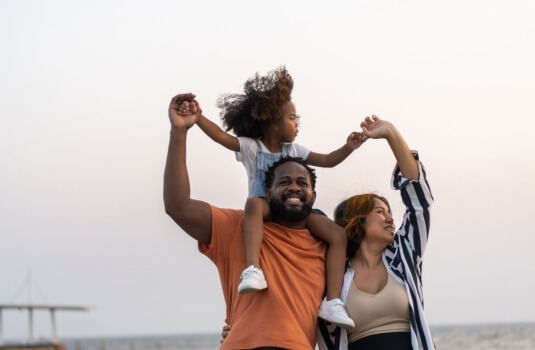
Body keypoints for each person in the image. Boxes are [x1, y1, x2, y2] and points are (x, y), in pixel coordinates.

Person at [178, 66, 366, 329]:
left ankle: (332, 301)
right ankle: (253, 269)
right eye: (292, 117)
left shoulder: (296, 150)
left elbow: (327, 161)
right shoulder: (252, 148)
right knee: (253, 204)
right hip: (266, 207)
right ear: (272, 122)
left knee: (337, 235)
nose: (297, 123)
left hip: (295, 211)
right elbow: (222, 137)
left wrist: (349, 147)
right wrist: (198, 118)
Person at [164, 93, 331, 349]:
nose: (294, 188)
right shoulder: (237, 227)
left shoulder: (325, 242)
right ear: (267, 192)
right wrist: (179, 132)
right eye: (283, 182)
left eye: (302, 183)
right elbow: (178, 206)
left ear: (314, 195)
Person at [317, 115, 435, 350]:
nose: (390, 218)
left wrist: (391, 133)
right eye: (380, 211)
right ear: (357, 221)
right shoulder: (334, 274)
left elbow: (419, 205)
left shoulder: (404, 256)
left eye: (389, 212)